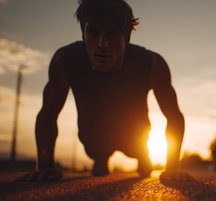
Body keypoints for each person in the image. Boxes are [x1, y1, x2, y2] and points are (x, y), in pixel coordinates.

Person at [18, 0, 192, 181]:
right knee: (96, 153)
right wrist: (45, 166)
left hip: (134, 134)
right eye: (93, 32)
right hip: (93, 136)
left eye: (113, 34)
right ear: (83, 34)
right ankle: (101, 159)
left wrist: (172, 167)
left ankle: (143, 156)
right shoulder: (65, 60)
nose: (102, 44)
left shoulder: (152, 63)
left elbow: (174, 115)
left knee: (139, 154)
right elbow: (47, 114)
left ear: (127, 38)